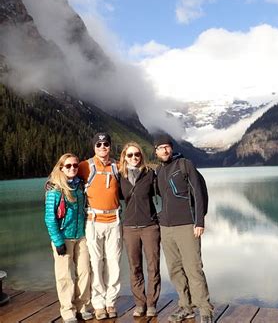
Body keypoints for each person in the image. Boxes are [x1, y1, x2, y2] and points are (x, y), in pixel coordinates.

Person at [154, 134, 214, 323]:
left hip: (187, 225)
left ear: (171, 148)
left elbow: (198, 191)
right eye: (160, 147)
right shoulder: (158, 171)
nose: (164, 150)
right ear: (155, 151)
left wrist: (199, 221)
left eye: (167, 146)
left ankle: (205, 310)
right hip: (166, 227)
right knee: (175, 269)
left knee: (193, 268)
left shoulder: (185, 164)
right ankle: (186, 307)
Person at [44, 153, 93, 323]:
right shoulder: (55, 189)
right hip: (63, 238)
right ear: (61, 168)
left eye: (75, 165)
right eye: (68, 166)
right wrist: (57, 242)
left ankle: (83, 306)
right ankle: (67, 311)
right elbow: (50, 218)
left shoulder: (80, 185)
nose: (72, 168)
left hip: (81, 236)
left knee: (85, 271)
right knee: (64, 275)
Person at [77, 133, 121, 320]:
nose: (103, 147)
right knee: (96, 263)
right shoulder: (84, 166)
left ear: (110, 146)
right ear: (94, 147)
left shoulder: (117, 166)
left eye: (106, 144)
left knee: (114, 264)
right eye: (99, 144)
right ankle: (98, 304)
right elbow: (64, 174)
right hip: (93, 221)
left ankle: (111, 302)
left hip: (114, 220)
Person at [119, 142, 161, 317]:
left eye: (137, 154)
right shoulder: (119, 176)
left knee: (153, 266)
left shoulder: (150, 174)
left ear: (141, 156)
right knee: (135, 267)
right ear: (124, 157)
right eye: (130, 155)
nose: (134, 158)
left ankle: (151, 303)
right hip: (129, 228)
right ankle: (140, 303)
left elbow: (163, 192)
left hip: (150, 226)